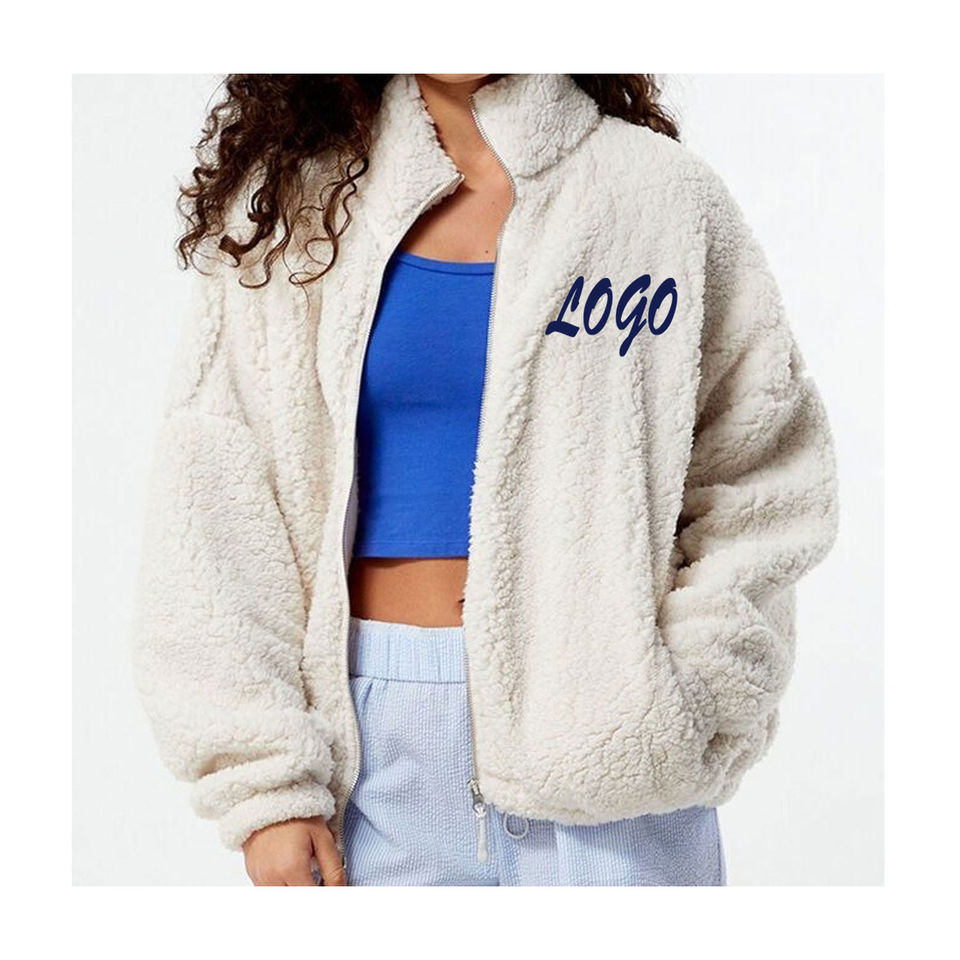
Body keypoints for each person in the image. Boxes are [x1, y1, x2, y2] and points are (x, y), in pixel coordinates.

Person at [132, 73, 839, 886]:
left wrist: (693, 698)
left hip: (613, 743)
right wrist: (262, 781)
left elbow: (761, 471)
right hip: (375, 743)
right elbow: (215, 497)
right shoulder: (297, 210)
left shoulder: (659, 197)